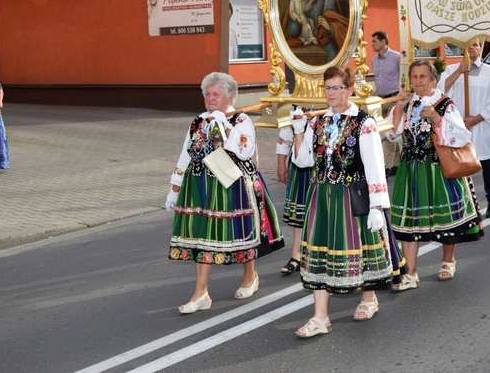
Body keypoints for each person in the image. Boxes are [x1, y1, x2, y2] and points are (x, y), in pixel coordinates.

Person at [165, 72, 284, 314]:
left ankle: (250, 277)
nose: (210, 98)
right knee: (201, 237)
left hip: (233, 185)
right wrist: (175, 187)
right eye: (207, 94)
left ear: (229, 96)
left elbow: (245, 150)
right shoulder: (198, 121)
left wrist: (227, 129)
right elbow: (185, 154)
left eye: (216, 94)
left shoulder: (240, 120)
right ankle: (201, 293)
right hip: (200, 188)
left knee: (240, 232)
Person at [291, 66, 392, 337]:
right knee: (320, 253)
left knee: (360, 246)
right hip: (321, 197)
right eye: (327, 87)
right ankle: (320, 317)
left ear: (350, 90)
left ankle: (369, 298)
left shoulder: (363, 123)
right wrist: (299, 130)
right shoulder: (318, 122)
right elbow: (303, 161)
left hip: (351, 196)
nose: (331, 93)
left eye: (337, 88)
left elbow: (374, 166)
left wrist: (378, 206)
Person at [389, 60, 483, 289]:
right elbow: (392, 136)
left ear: (433, 79)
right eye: (414, 77)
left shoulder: (444, 104)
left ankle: (448, 260)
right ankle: (410, 274)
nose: (418, 81)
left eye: (423, 76)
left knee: (446, 220)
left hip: (437, 168)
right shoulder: (407, 103)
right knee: (408, 224)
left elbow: (462, 136)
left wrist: (436, 119)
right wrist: (399, 108)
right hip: (411, 169)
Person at [437, 40, 490, 218]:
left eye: (476, 44)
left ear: (481, 48)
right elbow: (439, 91)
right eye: (468, 44)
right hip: (459, 128)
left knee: (488, 165)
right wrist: (460, 71)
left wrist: (476, 118)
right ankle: (460, 203)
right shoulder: (452, 70)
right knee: (458, 165)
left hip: (481, 126)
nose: (472, 47)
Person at [275, 118, 312, 276]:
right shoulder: (296, 105)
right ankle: (296, 255)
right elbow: (285, 135)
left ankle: (321, 254)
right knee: (299, 210)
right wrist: (281, 164)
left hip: (324, 162)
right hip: (299, 161)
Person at [371, 30, 402, 176]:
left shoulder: (396, 57)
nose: (372, 44)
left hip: (394, 99)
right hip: (380, 99)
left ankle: (387, 166)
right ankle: (397, 163)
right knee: (386, 133)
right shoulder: (374, 60)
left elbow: (403, 76)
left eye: (374, 41)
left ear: (383, 42)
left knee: (389, 131)